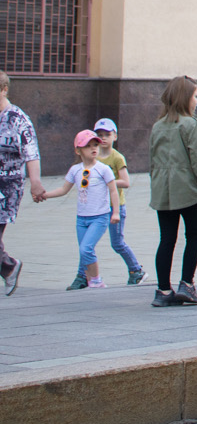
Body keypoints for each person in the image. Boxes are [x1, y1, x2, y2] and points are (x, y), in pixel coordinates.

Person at [148, 76, 197, 307]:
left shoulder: (158, 126)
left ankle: (163, 291)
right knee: (194, 234)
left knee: (166, 238)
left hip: (162, 189)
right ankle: (187, 284)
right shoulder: (190, 124)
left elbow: (152, 160)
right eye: (196, 96)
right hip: (186, 188)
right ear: (185, 97)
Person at [42, 130, 120, 290]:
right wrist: (45, 195)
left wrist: (116, 212)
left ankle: (97, 280)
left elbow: (113, 190)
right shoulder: (75, 170)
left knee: (86, 248)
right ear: (78, 150)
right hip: (82, 218)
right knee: (84, 251)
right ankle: (89, 280)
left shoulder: (103, 169)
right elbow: (64, 189)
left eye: (95, 145)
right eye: (88, 146)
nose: (93, 148)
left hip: (99, 217)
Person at [78, 119, 146, 287]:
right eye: (99, 135)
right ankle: (83, 276)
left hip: (115, 206)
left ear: (115, 136)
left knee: (117, 243)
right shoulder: (92, 157)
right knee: (86, 244)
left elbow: (126, 182)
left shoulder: (117, 158)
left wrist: (107, 182)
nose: (103, 138)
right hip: (96, 207)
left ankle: (136, 270)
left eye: (107, 134)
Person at [0, 71, 44, 296]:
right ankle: (8, 267)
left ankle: (8, 267)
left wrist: (35, 182)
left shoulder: (18, 119)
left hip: (6, 187)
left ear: (4, 90)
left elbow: (31, 153)